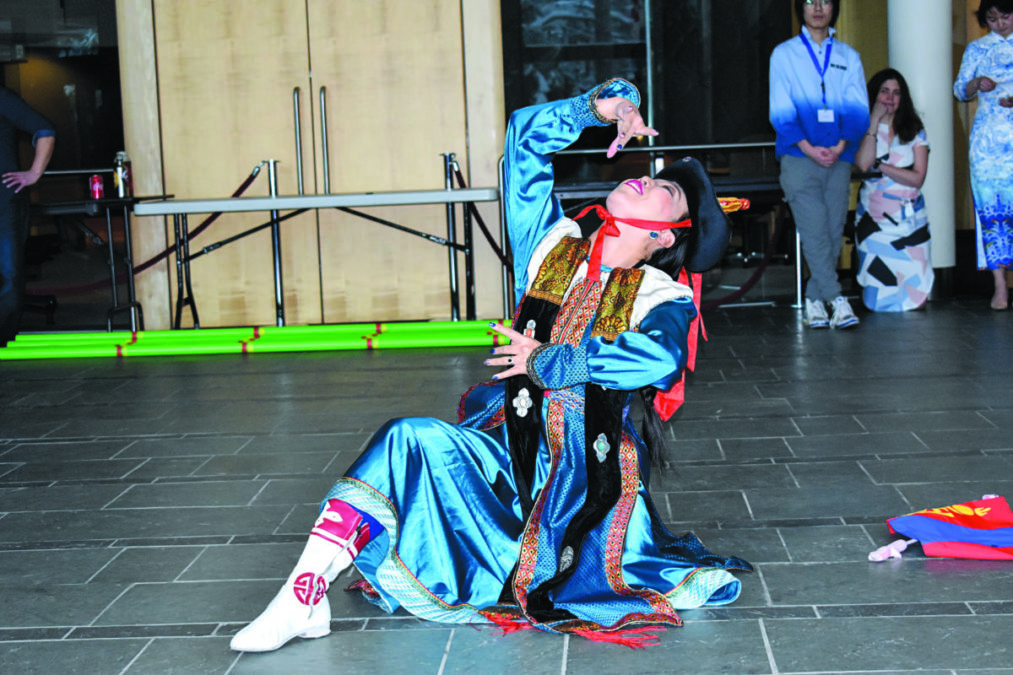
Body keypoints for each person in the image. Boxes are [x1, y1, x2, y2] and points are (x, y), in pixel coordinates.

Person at [229, 78, 751, 653]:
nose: (645, 179)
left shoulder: (659, 294)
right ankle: (303, 598)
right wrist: (598, 108)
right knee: (406, 438)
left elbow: (659, 358)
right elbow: (524, 141)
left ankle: (529, 562)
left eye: (664, 192)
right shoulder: (552, 247)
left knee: (546, 545)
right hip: (506, 453)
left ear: (662, 234)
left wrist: (549, 360)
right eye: (651, 174)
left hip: (580, 483)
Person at [769, 0, 869, 328]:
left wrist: (840, 146)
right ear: (800, 8)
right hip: (799, 157)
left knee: (830, 232)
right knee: (813, 231)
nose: (817, 8)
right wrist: (810, 148)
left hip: (838, 158)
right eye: (810, 1)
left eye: (824, 1)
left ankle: (814, 299)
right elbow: (781, 109)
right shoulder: (784, 54)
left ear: (833, 8)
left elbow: (857, 109)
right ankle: (838, 299)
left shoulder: (847, 57)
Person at [853, 68, 933, 311]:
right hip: (873, 221)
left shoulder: (915, 130)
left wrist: (883, 167)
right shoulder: (863, 127)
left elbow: (917, 178)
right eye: (884, 91)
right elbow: (864, 164)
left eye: (896, 93)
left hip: (910, 221)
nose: (890, 98)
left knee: (915, 295)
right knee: (878, 299)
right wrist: (874, 122)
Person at [953, 0, 1013, 310]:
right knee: (992, 211)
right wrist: (976, 83)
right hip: (988, 144)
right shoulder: (977, 49)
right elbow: (960, 89)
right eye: (992, 18)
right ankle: (999, 285)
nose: (1000, 23)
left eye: (1005, 16)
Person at [0, 86, 55, 346]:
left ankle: (3, 339)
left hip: (5, 202)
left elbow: (44, 130)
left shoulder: (2, 98)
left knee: (9, 274)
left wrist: (34, 173)